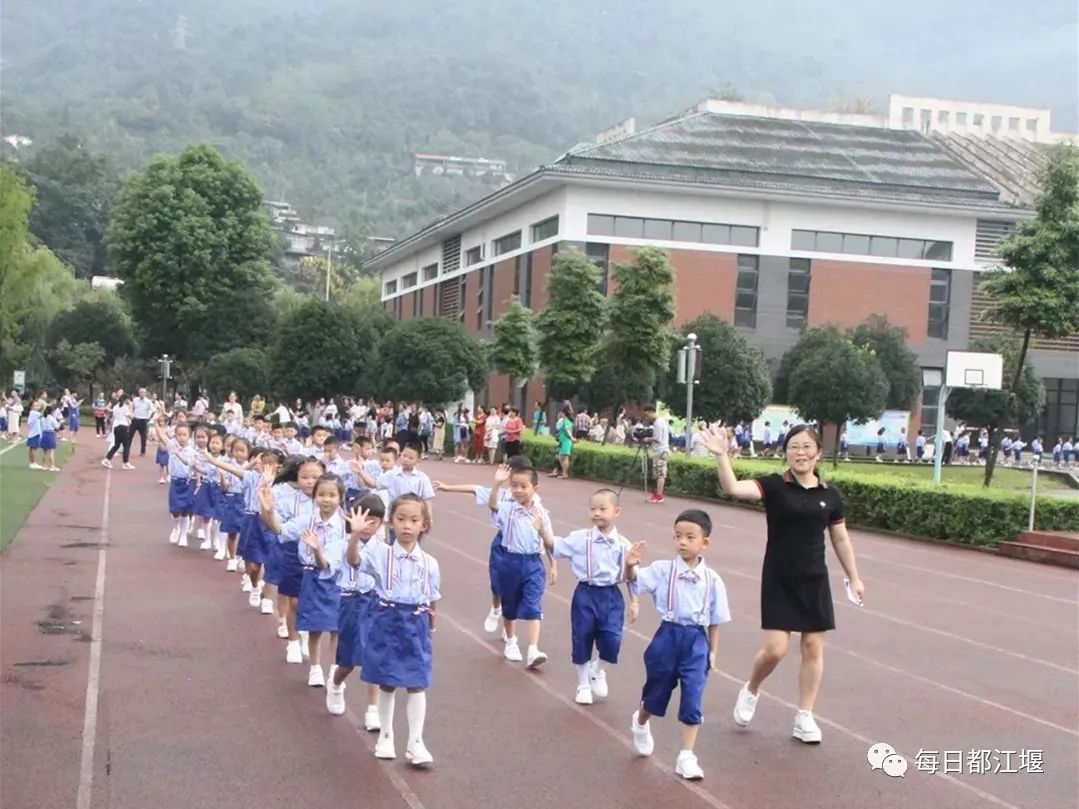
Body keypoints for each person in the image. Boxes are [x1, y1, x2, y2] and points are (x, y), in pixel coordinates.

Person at [702, 425, 864, 745]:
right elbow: (733, 488)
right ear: (786, 452)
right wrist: (722, 457)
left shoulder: (830, 495)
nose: (800, 453)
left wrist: (854, 577)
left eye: (806, 447)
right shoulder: (775, 486)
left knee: (813, 647)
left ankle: (804, 716)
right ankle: (751, 689)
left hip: (814, 578)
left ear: (818, 453)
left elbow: (840, 538)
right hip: (779, 576)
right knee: (775, 650)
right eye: (793, 447)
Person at [626, 508, 729, 780]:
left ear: (704, 542)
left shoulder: (713, 580)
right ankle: (640, 720)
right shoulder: (663, 570)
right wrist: (631, 564)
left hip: (697, 641)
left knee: (693, 696)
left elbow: (715, 619)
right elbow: (635, 580)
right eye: (677, 536)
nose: (682, 542)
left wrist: (713, 651)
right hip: (667, 637)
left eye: (690, 537)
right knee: (657, 692)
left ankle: (686, 756)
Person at [535, 489, 643, 705]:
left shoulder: (624, 544)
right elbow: (556, 546)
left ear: (616, 511)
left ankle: (597, 669)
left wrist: (634, 601)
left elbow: (632, 577)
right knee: (582, 637)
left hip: (612, 595)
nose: (597, 513)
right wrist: (542, 530)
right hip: (586, 593)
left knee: (612, 640)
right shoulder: (580, 538)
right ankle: (583, 683)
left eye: (603, 509)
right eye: (593, 509)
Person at [357, 494, 441, 766]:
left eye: (414, 520)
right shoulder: (381, 553)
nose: (407, 526)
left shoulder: (430, 563)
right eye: (401, 519)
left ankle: (416, 741)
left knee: (418, 683)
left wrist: (431, 624)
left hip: (415, 623)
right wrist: (354, 536)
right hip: (388, 618)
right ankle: (386, 735)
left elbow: (432, 596)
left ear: (424, 525)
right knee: (388, 681)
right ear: (390, 523)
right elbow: (354, 561)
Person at [433, 454, 541, 635]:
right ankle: (495, 608)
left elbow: (542, 527)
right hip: (502, 544)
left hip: (522, 549)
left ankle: (510, 633)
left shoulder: (534, 500)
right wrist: (447, 487)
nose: (517, 485)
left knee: (517, 591)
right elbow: (475, 489)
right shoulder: (503, 494)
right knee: (497, 584)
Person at [326, 493, 387, 730]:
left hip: (375, 604)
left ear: (381, 523)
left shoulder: (384, 549)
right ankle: (336, 684)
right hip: (351, 602)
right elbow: (353, 560)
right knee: (349, 660)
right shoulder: (342, 544)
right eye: (363, 519)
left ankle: (372, 708)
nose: (367, 525)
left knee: (374, 657)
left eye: (374, 520)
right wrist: (354, 535)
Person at [488, 464, 557, 668]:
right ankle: (511, 641)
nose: (518, 490)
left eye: (523, 486)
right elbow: (493, 505)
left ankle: (534, 649)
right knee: (510, 604)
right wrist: (497, 483)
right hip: (510, 561)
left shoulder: (541, 512)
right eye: (514, 486)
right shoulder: (509, 508)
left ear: (535, 488)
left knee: (534, 603)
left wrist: (553, 565)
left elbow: (549, 540)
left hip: (533, 563)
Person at [259, 456, 323, 664]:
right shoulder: (286, 496)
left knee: (312, 601)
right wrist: (267, 509)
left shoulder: (328, 499)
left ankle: (305, 633)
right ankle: (294, 641)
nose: (310, 481)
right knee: (294, 599)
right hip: (293, 551)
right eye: (305, 477)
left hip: (320, 556)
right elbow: (275, 526)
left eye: (315, 477)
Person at [293, 474, 349, 689]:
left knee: (337, 627)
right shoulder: (307, 521)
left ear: (341, 498)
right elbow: (281, 530)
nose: (326, 499)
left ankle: (334, 667)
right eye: (322, 494)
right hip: (313, 577)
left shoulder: (346, 525)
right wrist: (268, 509)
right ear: (314, 497)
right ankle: (315, 667)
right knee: (314, 626)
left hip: (339, 580)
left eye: (332, 495)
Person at [152, 420, 197, 546]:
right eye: (179, 435)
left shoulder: (193, 450)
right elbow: (162, 436)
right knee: (175, 510)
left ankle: (183, 535)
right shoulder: (172, 446)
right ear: (175, 435)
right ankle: (176, 528)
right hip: (176, 482)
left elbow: (196, 466)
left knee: (186, 511)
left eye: (185, 435)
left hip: (188, 483)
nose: (182, 438)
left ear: (189, 436)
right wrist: (156, 424)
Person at [643, 404, 670, 504]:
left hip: (660, 451)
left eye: (647, 415)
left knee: (660, 474)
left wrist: (648, 439)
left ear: (650, 412)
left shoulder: (658, 423)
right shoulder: (661, 421)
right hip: (660, 450)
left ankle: (659, 495)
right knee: (658, 474)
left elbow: (658, 439)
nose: (647, 418)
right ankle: (657, 494)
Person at [102, 395, 134, 469]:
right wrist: (131, 407)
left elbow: (114, 415)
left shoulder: (115, 407)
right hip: (123, 427)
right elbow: (131, 417)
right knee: (126, 445)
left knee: (116, 445)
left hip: (116, 427)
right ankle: (125, 463)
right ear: (126, 400)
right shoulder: (125, 407)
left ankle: (107, 459)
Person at [550, 406, 574, 478]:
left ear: (564, 413)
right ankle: (563, 473)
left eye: (561, 413)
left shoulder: (566, 421)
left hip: (566, 441)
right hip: (563, 441)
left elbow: (567, 430)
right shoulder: (565, 421)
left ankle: (564, 474)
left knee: (564, 457)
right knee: (560, 457)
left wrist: (571, 437)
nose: (560, 414)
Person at [131, 388, 155, 456]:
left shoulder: (148, 401)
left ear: (145, 393)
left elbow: (153, 410)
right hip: (135, 419)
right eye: (141, 392)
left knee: (143, 437)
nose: (142, 394)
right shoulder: (135, 400)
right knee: (130, 435)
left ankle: (143, 452)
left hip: (143, 420)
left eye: (143, 392)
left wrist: (149, 418)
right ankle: (126, 449)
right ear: (139, 393)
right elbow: (132, 408)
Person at [26, 399, 44, 469]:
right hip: (35, 433)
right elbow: (43, 414)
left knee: (31, 448)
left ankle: (31, 463)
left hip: (32, 433)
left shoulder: (33, 413)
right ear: (31, 407)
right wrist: (44, 404)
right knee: (33, 449)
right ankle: (33, 463)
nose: (36, 407)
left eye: (37, 405)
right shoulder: (34, 413)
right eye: (35, 405)